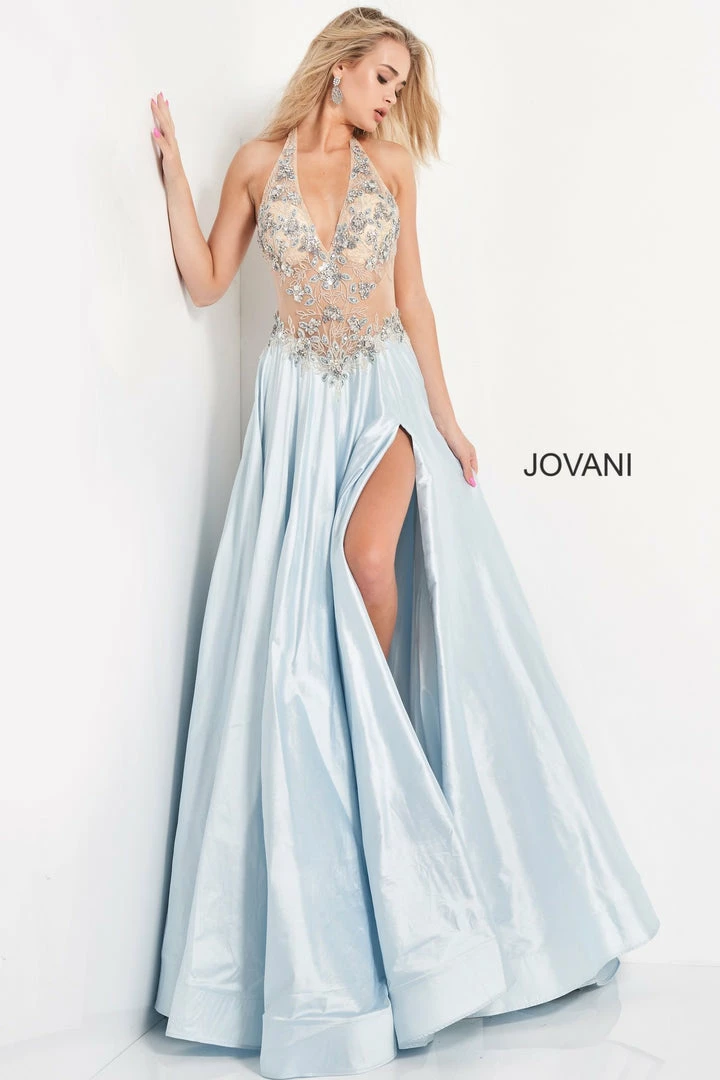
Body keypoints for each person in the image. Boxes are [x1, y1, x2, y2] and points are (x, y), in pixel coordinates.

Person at [150, 8, 660, 1079]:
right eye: (383, 78)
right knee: (291, 625)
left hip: (383, 400)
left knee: (369, 563)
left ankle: (378, 750)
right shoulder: (256, 165)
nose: (392, 100)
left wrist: (450, 420)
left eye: (398, 85)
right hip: (296, 415)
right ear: (339, 68)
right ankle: (355, 780)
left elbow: (414, 300)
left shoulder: (392, 171)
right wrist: (169, 174)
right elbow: (206, 280)